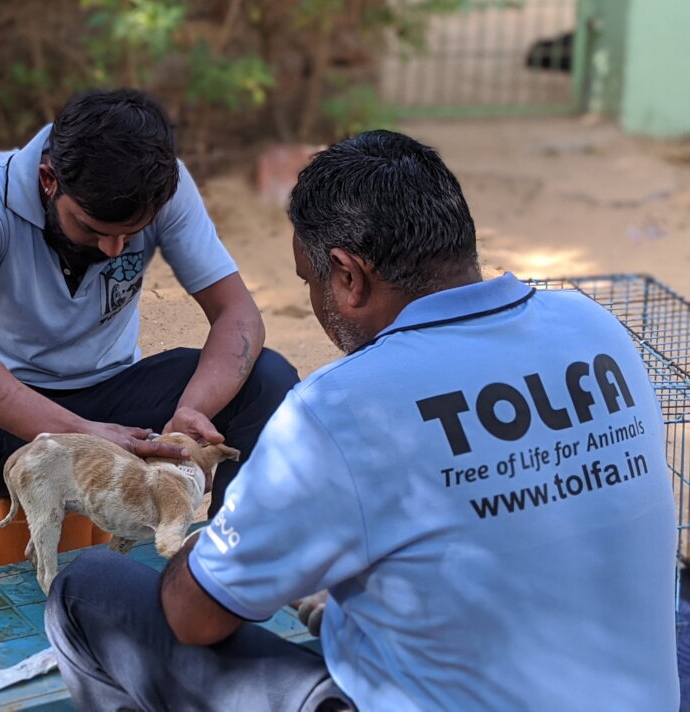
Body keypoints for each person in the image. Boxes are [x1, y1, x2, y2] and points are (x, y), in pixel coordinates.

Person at [44, 130, 679, 711]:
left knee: (88, 589)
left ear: (348, 276)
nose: (315, 304)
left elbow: (192, 618)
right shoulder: (594, 330)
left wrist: (212, 540)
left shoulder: (343, 406)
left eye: (309, 283)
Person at [0, 88, 298, 585]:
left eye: (132, 235)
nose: (114, 250)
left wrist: (191, 413)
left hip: (114, 398)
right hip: (10, 411)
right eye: (93, 230)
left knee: (268, 377)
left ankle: (226, 575)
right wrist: (78, 431)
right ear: (49, 181)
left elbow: (238, 316)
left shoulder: (162, 185)